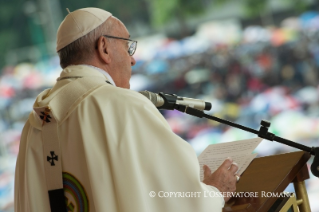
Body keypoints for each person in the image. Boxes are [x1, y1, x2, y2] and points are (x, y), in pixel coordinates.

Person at [14, 7, 239, 212]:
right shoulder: (125, 106)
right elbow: (179, 201)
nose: (132, 59)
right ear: (103, 48)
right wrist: (215, 193)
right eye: (127, 46)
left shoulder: (36, 124)